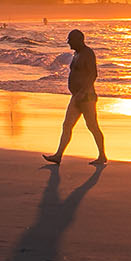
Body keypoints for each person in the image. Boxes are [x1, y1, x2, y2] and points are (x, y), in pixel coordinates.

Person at [45, 28, 107, 165]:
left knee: (92, 126)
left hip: (87, 97)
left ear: (79, 40)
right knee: (67, 125)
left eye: (71, 40)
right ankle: (58, 155)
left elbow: (93, 74)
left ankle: (102, 155)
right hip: (76, 96)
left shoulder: (88, 53)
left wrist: (83, 92)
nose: (69, 43)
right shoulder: (76, 54)